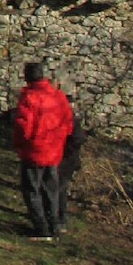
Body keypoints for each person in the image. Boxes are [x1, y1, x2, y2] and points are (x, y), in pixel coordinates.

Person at [12, 61, 74, 241]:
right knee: (51, 189)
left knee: (32, 190)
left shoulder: (29, 97)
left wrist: (19, 145)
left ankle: (41, 228)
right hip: (54, 150)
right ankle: (54, 223)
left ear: (27, 77)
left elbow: (22, 127)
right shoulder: (58, 95)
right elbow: (68, 122)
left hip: (33, 150)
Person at [57, 93, 86, 234]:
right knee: (58, 188)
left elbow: (78, 140)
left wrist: (65, 150)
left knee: (60, 189)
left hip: (66, 160)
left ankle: (60, 220)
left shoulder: (72, 122)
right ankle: (57, 218)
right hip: (64, 159)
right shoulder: (67, 120)